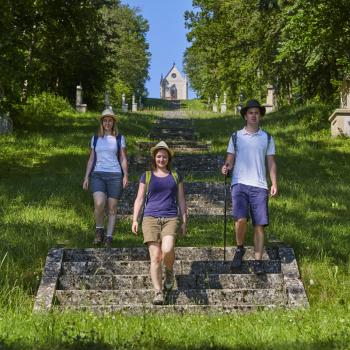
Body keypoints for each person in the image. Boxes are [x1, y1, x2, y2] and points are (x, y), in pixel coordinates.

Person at [221, 99, 277, 274]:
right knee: (241, 219)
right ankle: (240, 248)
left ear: (260, 116)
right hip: (239, 183)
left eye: (257, 113)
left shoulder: (267, 138)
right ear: (245, 116)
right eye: (251, 113)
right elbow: (230, 159)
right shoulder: (236, 136)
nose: (254, 115)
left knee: (259, 225)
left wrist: (274, 183)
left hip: (260, 186)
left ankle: (258, 261)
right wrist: (226, 167)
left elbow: (271, 163)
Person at [132, 141, 187, 305]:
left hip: (170, 217)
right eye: (158, 156)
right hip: (150, 219)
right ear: (154, 158)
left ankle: (169, 271)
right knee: (155, 257)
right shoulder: (146, 176)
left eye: (164, 156)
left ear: (168, 158)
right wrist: (135, 219)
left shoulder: (175, 176)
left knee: (168, 249)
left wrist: (184, 220)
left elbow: (182, 200)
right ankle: (158, 292)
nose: (161, 159)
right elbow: (139, 199)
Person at [83, 108, 128, 247]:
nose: (107, 123)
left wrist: (125, 175)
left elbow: (123, 158)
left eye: (110, 121)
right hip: (98, 174)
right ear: (102, 123)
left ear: (113, 123)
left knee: (113, 208)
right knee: (99, 203)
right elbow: (91, 159)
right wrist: (86, 177)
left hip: (115, 175)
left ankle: (109, 237)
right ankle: (99, 230)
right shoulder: (95, 139)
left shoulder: (120, 138)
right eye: (105, 120)